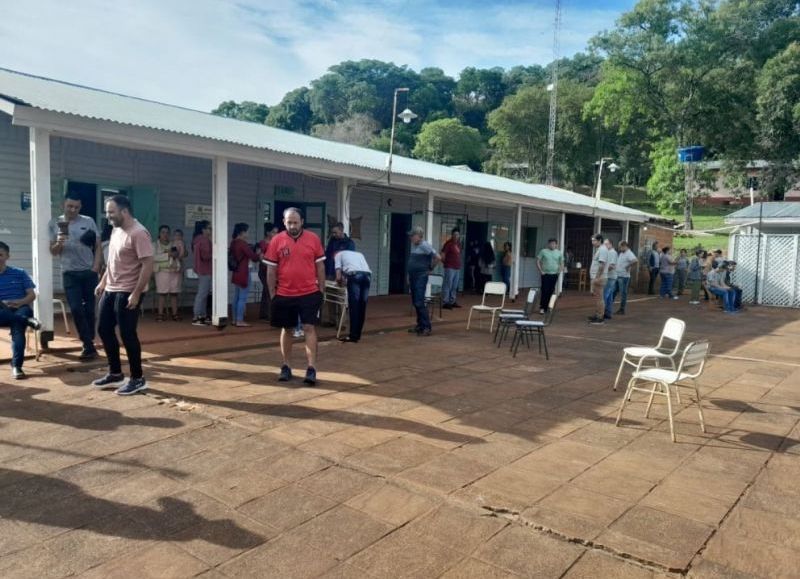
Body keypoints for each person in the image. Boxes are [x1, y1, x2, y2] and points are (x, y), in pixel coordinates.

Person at [93, 195, 154, 395]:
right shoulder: (116, 229)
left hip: (129, 290)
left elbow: (147, 265)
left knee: (128, 334)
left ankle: (137, 378)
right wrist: (103, 282)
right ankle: (116, 373)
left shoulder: (139, 233)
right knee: (103, 329)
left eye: (111, 212)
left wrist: (136, 293)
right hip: (111, 288)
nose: (108, 216)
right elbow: (113, 261)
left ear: (124, 211)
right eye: (107, 212)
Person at [265, 208, 326, 385]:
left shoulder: (313, 239)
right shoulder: (277, 241)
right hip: (284, 294)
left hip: (309, 293)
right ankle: (286, 366)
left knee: (309, 328)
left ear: (302, 222)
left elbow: (320, 267)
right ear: (284, 222)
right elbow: (271, 270)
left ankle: (312, 368)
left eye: (295, 222)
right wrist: (272, 294)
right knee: (288, 329)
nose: (292, 225)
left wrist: (321, 289)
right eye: (289, 222)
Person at [48, 191, 102, 360]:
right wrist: (59, 242)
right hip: (69, 273)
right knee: (77, 309)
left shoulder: (88, 221)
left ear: (80, 207)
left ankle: (88, 344)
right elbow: (53, 251)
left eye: (77, 207)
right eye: (70, 206)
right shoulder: (55, 223)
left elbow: (98, 246)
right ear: (63, 204)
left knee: (89, 309)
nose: (73, 210)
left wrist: (95, 267)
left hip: (88, 272)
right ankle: (88, 343)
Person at [0, 242, 41, 379]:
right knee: (18, 319)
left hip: (20, 307)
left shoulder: (19, 273)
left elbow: (32, 295)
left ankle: (16, 366)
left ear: (7, 256)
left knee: (18, 328)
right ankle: (28, 321)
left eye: (0, 254)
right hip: (1, 310)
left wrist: (19, 302)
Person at [407, 226, 440, 336]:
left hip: (421, 276)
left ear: (418, 236)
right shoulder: (415, 246)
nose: (411, 237)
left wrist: (430, 268)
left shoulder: (424, 245)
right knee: (415, 301)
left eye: (412, 235)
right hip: (413, 276)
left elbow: (437, 257)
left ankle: (426, 327)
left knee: (419, 301)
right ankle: (420, 325)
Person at [335, 249, 371, 343]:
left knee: (354, 306)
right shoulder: (359, 253)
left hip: (355, 276)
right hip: (367, 277)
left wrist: (339, 283)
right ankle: (357, 334)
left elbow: (338, 276)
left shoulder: (338, 255)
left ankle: (353, 336)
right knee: (362, 306)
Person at [230, 223, 261, 327]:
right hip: (244, 272)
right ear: (242, 232)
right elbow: (254, 257)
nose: (248, 233)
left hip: (236, 272)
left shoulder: (233, 243)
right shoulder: (242, 243)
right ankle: (240, 320)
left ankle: (234, 319)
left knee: (236, 297)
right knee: (242, 298)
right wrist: (258, 253)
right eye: (247, 231)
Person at [153, 225, 183, 321]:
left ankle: (175, 314)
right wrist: (167, 255)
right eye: (163, 232)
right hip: (162, 271)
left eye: (167, 232)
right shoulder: (154, 245)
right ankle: (160, 314)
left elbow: (178, 254)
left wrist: (177, 253)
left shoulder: (173, 244)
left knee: (174, 294)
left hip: (174, 271)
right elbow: (153, 257)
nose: (165, 234)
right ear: (159, 233)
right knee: (162, 294)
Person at [191, 220, 212, 326]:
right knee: (202, 294)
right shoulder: (204, 240)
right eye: (209, 228)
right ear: (203, 229)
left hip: (200, 269)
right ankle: (197, 316)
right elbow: (206, 256)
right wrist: (216, 252)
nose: (210, 230)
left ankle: (202, 315)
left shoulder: (196, 239)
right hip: (205, 269)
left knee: (203, 294)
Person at [257, 222, 279, 321]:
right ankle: (271, 315)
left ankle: (264, 314)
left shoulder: (275, 243)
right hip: (264, 271)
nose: (276, 234)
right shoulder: (263, 243)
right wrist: (271, 266)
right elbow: (261, 258)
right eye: (274, 232)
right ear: (267, 233)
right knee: (270, 291)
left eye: (277, 232)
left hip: (273, 271)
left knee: (266, 292)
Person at [536, 238, 563, 314]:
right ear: (548, 244)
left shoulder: (559, 253)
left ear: (556, 245)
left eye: (554, 244)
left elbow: (561, 263)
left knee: (551, 291)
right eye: (551, 243)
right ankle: (542, 307)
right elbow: (538, 261)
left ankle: (549, 307)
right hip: (545, 274)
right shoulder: (543, 251)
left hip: (554, 274)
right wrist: (541, 271)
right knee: (545, 290)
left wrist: (559, 272)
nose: (552, 245)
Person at [588, 234, 608, 325]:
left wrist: (596, 278)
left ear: (599, 240)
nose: (593, 242)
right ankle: (597, 314)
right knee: (597, 298)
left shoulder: (603, 250)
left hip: (599, 278)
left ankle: (600, 318)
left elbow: (602, 265)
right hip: (598, 277)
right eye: (592, 240)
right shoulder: (600, 249)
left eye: (594, 240)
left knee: (599, 298)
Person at [440, 228, 462, 309]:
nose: (456, 236)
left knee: (455, 285)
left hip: (457, 267)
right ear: (452, 235)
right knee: (448, 284)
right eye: (454, 234)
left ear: (459, 236)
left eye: (457, 234)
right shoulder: (448, 244)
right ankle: (445, 302)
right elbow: (442, 255)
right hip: (450, 267)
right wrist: (445, 263)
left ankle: (452, 301)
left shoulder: (459, 244)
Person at [614, 241, 637, 315]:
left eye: (620, 247)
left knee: (623, 293)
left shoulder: (629, 253)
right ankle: (608, 306)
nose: (619, 248)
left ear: (624, 246)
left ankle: (622, 309)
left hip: (624, 276)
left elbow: (635, 260)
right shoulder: (621, 253)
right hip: (618, 275)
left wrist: (628, 266)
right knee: (614, 291)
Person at [603, 239, 618, 319]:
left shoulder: (612, 253)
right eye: (604, 244)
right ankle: (608, 313)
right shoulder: (609, 252)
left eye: (606, 244)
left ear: (611, 244)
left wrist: (603, 272)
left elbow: (612, 266)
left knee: (604, 295)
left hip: (610, 277)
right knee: (609, 296)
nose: (605, 246)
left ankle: (601, 312)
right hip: (610, 276)